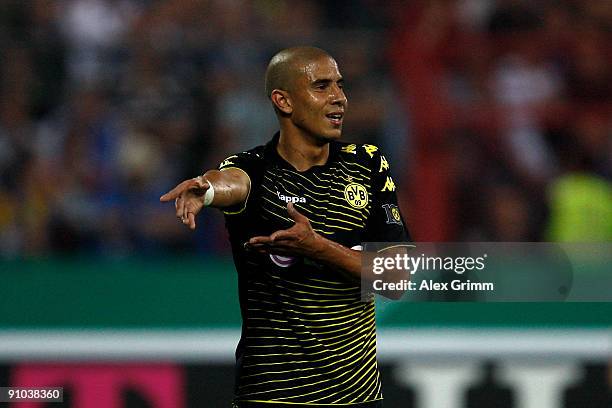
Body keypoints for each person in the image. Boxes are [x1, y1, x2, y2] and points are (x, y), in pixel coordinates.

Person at [160, 46, 410, 408]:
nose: (339, 98)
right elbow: (231, 181)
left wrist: (317, 247)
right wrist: (209, 190)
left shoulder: (369, 165)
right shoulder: (255, 169)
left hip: (356, 398)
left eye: (340, 86)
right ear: (284, 101)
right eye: (322, 86)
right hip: (271, 397)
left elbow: (396, 278)